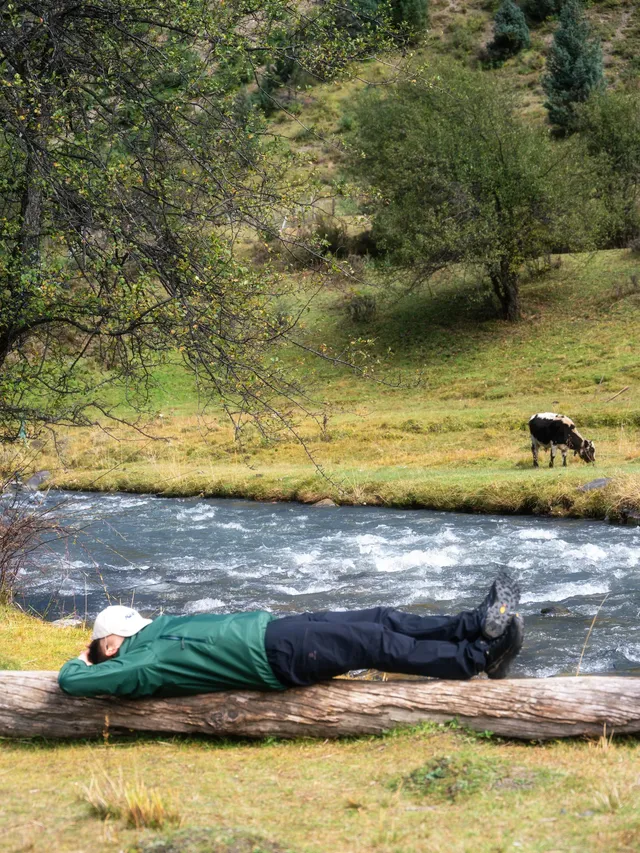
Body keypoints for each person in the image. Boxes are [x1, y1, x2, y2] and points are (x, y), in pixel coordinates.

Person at [58, 572, 524, 699]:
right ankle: (479, 658)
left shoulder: (153, 634)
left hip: (273, 630)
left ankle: (475, 624)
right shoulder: (143, 660)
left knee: (381, 618)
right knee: (372, 643)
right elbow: (73, 682)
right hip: (275, 658)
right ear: (112, 644)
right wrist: (81, 660)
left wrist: (91, 653)